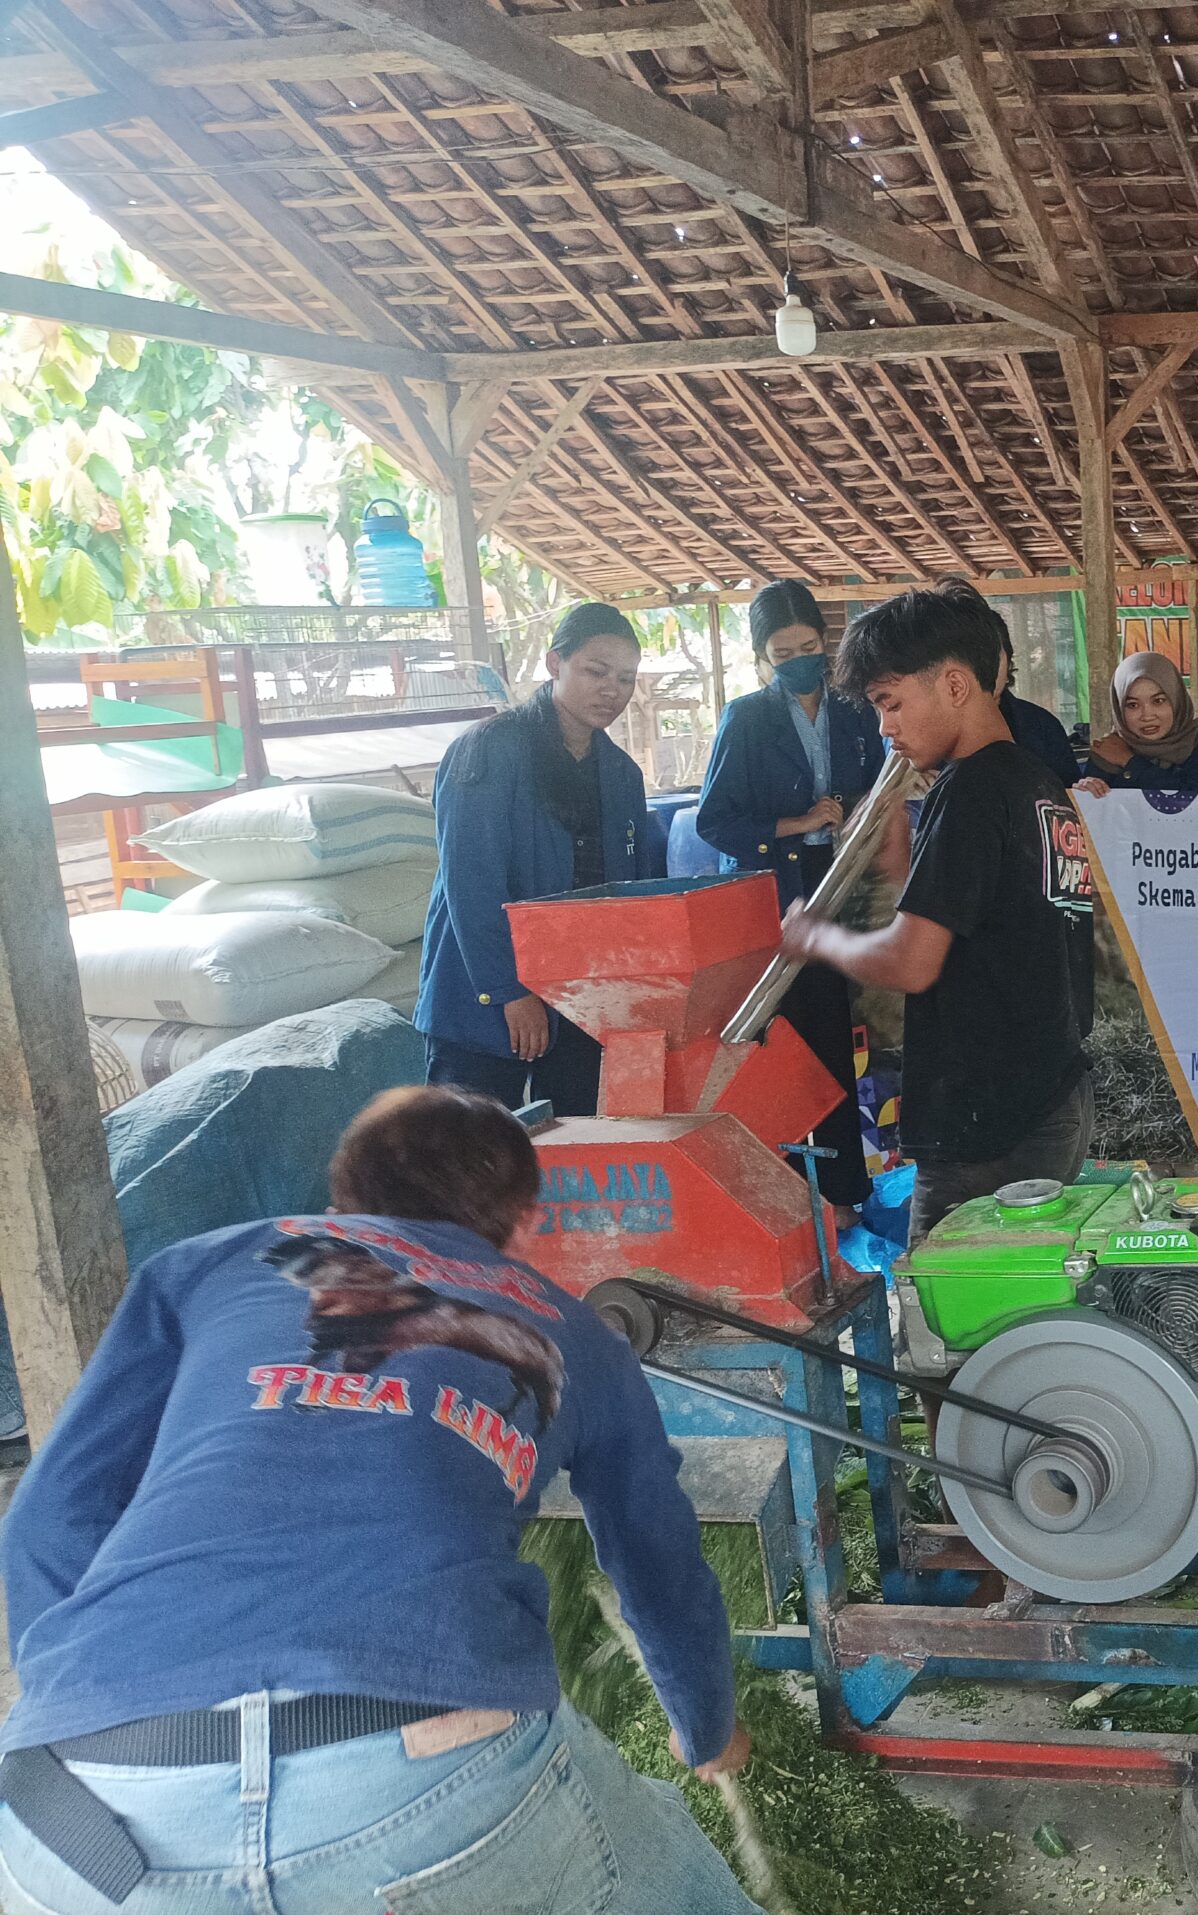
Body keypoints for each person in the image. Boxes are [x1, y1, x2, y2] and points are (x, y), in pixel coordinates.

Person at [0, 1085, 755, 1915]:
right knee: (674, 1874)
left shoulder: (208, 1262)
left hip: (78, 1822)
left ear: (340, 1199)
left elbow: (47, 1521)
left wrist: (85, 1695)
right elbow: (659, 1565)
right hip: (423, 1782)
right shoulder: (575, 1332)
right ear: (525, 1221)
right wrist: (708, 1725)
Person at [779, 581, 1095, 1238]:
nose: (884, 727)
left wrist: (817, 937)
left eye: (889, 703)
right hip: (1046, 1095)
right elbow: (973, 928)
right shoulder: (1035, 781)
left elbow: (914, 961)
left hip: (987, 1122)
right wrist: (899, 860)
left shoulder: (972, 790)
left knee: (952, 1323)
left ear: (954, 685)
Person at [417, 603, 664, 1117]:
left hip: (582, 997)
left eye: (625, 678)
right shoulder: (487, 750)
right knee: (466, 1156)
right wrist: (510, 992)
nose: (611, 690)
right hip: (486, 995)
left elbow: (635, 892)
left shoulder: (620, 774)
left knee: (578, 1141)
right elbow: (471, 883)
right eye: (596, 671)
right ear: (555, 664)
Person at [693, 580, 887, 1206]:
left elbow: (875, 792)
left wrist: (856, 817)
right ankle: (773, 1194)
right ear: (763, 658)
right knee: (774, 1046)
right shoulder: (747, 719)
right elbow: (715, 821)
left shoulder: (856, 712)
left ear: (825, 642)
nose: (800, 657)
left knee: (832, 1043)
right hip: (775, 903)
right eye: (783, 650)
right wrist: (797, 825)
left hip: (840, 897)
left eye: (808, 643)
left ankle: (842, 1193)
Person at [1076, 652, 1198, 795]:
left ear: (1177, 699)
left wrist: (1128, 761)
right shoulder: (1109, 750)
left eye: (1158, 701)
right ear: (1118, 708)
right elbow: (1092, 817)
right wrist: (1087, 789)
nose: (1147, 716)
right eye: (1132, 705)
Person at [992, 624, 1081, 788]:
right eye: (970, 658)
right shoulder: (933, 734)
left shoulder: (1042, 726)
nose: (984, 668)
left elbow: (1069, 795)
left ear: (1009, 662)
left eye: (993, 656)